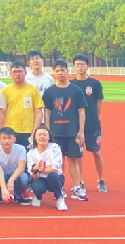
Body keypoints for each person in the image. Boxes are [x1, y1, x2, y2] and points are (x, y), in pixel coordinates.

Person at [43, 60, 88, 201]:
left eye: (62, 70)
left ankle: (76, 188)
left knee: (73, 160)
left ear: (67, 71)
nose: (60, 73)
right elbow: (46, 111)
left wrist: (81, 131)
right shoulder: (50, 91)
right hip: (56, 132)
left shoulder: (76, 91)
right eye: (57, 71)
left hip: (72, 131)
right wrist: (48, 131)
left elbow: (81, 111)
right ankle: (60, 188)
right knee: (58, 161)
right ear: (53, 73)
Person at [71, 54, 106, 193]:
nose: (80, 67)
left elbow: (99, 102)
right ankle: (80, 181)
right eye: (77, 64)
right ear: (74, 67)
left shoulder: (95, 84)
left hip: (92, 125)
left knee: (96, 152)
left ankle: (101, 179)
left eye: (82, 64)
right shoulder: (71, 84)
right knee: (78, 154)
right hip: (75, 125)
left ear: (87, 66)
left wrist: (95, 118)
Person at [0, 60, 43, 148]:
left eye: (20, 71)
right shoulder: (5, 91)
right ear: (10, 74)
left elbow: (39, 112)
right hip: (10, 132)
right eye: (14, 72)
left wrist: (35, 131)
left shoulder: (33, 90)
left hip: (28, 131)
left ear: (25, 73)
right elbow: (1, 113)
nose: (17, 74)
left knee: (28, 155)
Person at [27, 125, 68, 210]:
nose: (42, 137)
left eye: (45, 135)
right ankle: (37, 196)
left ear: (49, 137)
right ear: (35, 137)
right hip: (40, 178)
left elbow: (54, 168)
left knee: (53, 175)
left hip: (54, 177)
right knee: (37, 186)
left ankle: (59, 198)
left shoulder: (55, 148)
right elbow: (34, 175)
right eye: (39, 135)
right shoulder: (31, 152)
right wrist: (35, 171)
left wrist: (39, 169)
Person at [0, 127, 30, 205]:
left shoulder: (21, 149)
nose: (6, 141)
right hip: (2, 176)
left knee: (24, 177)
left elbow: (21, 167)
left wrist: (11, 180)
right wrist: (3, 188)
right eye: (4, 138)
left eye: (9, 138)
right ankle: (1, 194)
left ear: (14, 139)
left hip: (16, 176)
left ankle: (18, 195)